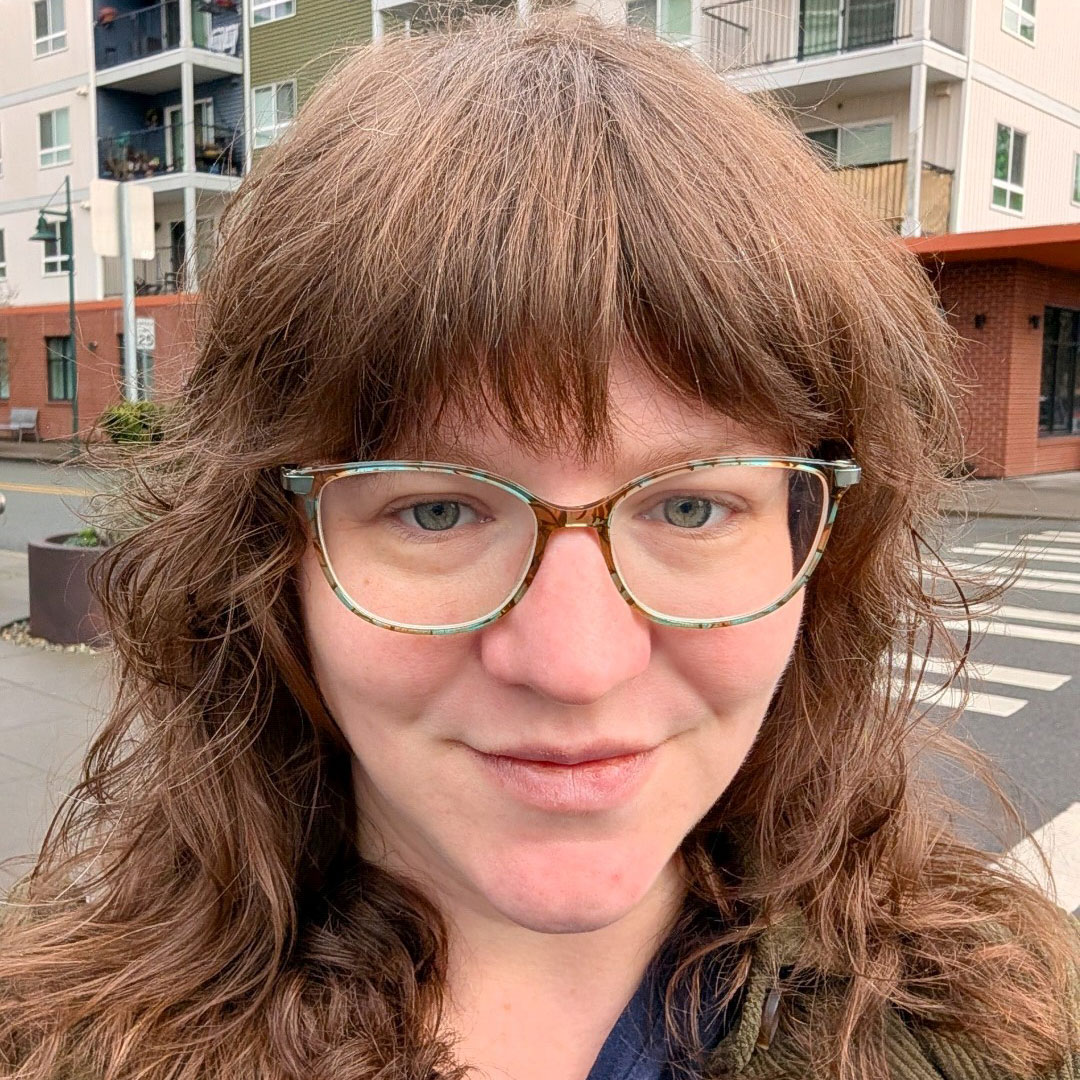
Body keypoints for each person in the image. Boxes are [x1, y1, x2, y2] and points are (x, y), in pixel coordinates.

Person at [1, 12, 1077, 1080]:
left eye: (692, 507)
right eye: (437, 510)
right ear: (271, 561)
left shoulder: (1013, 1027)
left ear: (820, 547)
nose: (576, 667)